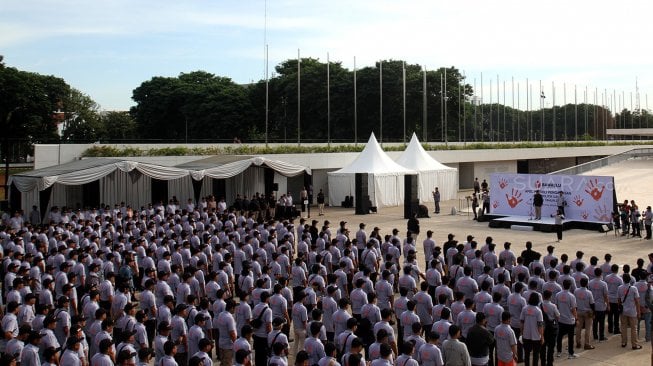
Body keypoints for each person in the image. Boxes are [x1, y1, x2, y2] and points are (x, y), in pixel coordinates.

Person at [618, 273, 642, 349]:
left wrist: (620, 307)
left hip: (623, 311)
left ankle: (624, 342)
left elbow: (618, 300)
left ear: (623, 280)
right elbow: (637, 301)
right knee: (634, 328)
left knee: (623, 327)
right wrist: (638, 312)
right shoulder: (634, 288)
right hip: (632, 311)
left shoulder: (620, 288)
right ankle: (634, 344)